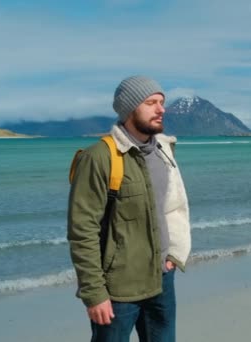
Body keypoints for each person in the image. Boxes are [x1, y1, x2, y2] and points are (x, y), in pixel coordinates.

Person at [67, 75, 191, 342]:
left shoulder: (164, 151)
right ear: (129, 108)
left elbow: (173, 208)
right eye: (151, 103)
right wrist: (94, 293)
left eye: (161, 102)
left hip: (162, 280)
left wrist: (175, 255)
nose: (161, 109)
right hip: (118, 291)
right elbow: (82, 231)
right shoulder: (98, 157)